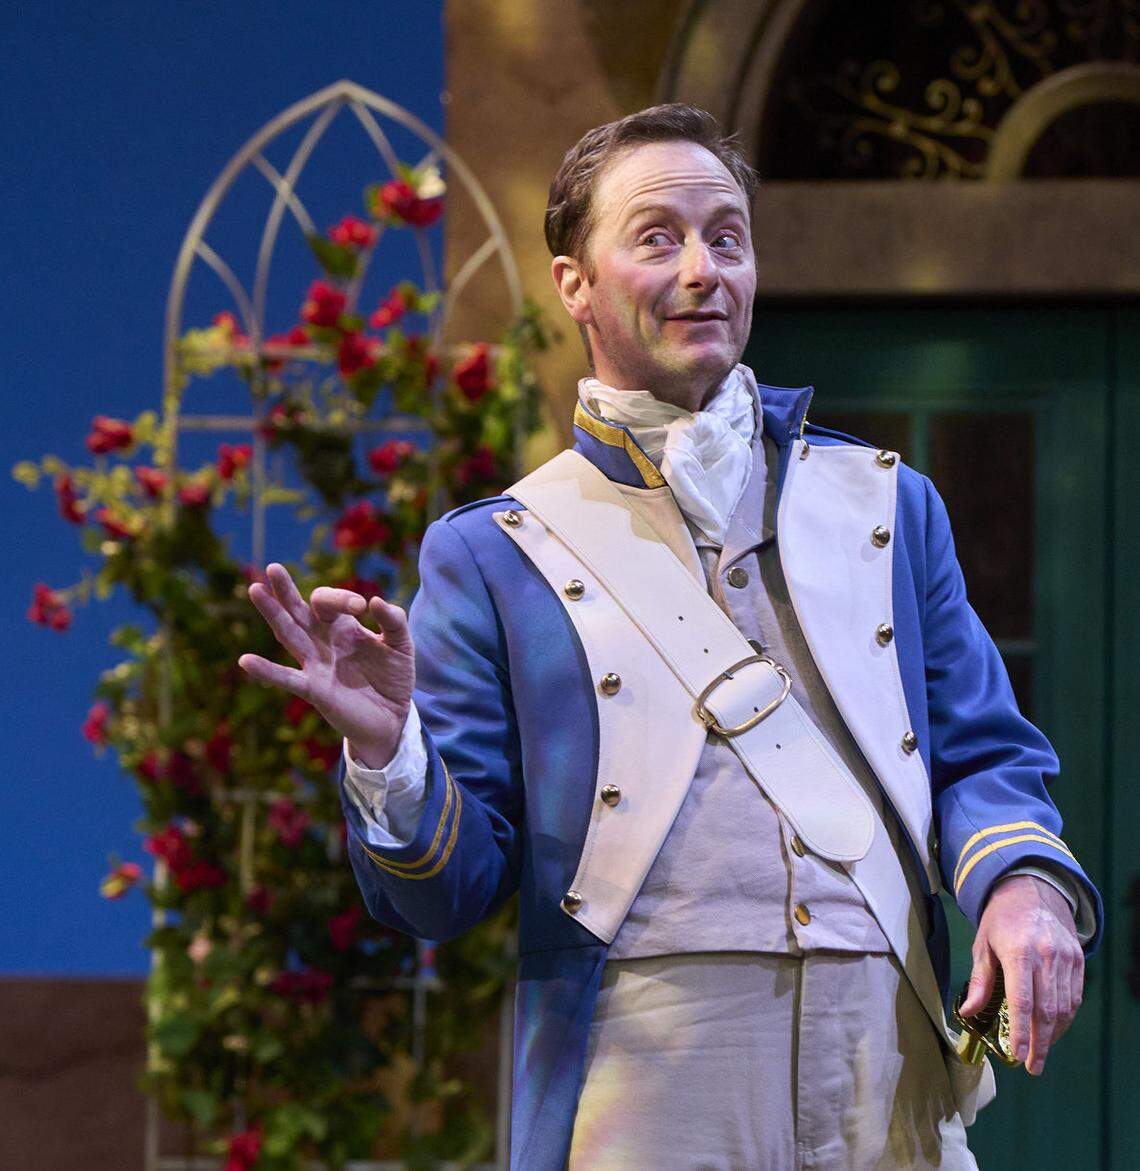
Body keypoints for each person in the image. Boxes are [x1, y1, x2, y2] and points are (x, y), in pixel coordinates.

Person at [239, 104, 1103, 1169]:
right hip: (649, 1068)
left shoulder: (888, 503)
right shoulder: (496, 553)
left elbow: (985, 752)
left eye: (726, 236)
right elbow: (445, 894)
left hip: (883, 1043)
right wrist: (390, 754)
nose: (703, 268)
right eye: (657, 237)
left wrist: (1021, 886)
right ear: (574, 284)